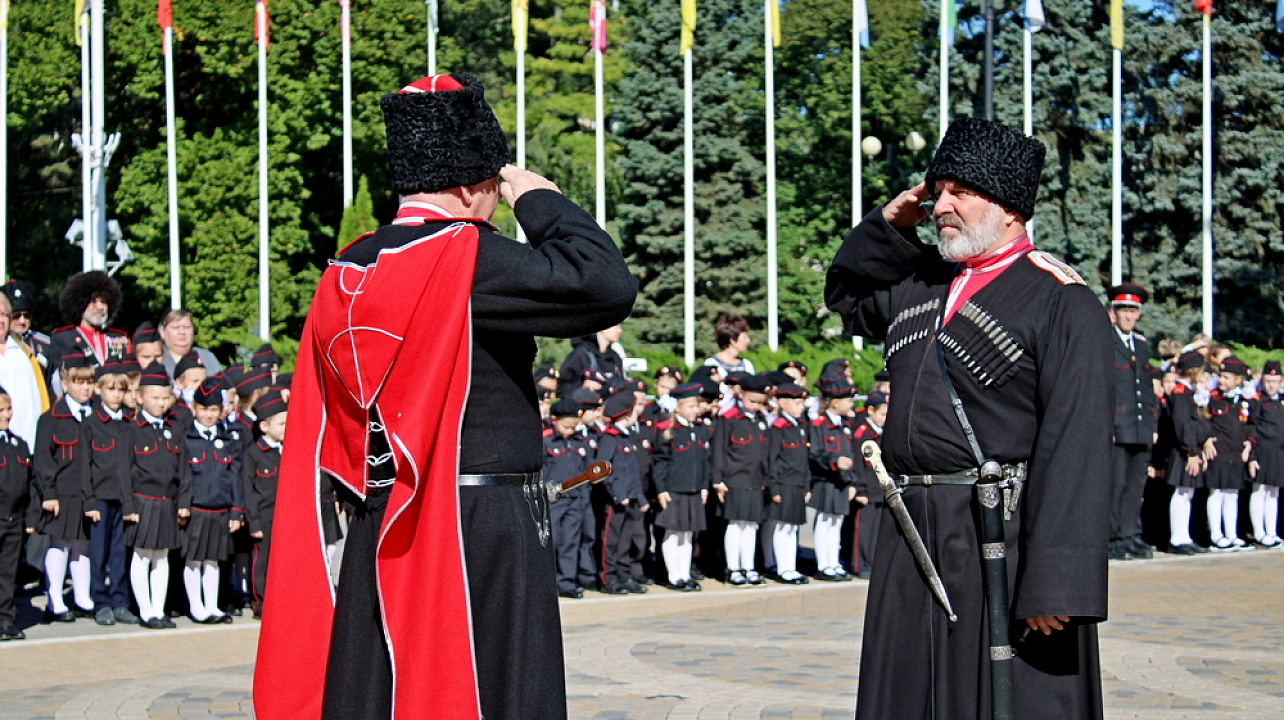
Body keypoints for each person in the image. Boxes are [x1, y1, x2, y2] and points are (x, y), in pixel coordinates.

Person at [254, 74, 636, 720]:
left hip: (379, 515)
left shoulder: (347, 267)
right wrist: (542, 201)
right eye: (492, 184)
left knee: (379, 691)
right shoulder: (465, 256)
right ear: (471, 186)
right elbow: (604, 285)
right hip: (479, 525)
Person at [825, 117, 1113, 718]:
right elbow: (848, 295)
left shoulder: (1060, 297)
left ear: (1008, 206)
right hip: (914, 529)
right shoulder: (922, 281)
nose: (941, 206)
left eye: (961, 192)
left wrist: (1056, 581)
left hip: (1001, 536)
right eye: (938, 192)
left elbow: (1076, 443)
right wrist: (887, 223)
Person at [33, 351, 99, 622]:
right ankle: (55, 599)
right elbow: (43, 459)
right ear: (65, 383)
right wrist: (49, 493)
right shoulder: (52, 418)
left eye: (89, 382)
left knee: (83, 544)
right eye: (78, 382)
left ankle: (82, 597)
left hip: (88, 492)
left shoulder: (95, 414)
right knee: (59, 544)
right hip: (62, 491)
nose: (85, 388)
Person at [125, 366, 192, 630]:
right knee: (142, 556)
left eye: (165, 398)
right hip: (143, 502)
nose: (160, 403)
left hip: (168, 503)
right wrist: (129, 505)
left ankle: (158, 608)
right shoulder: (131, 430)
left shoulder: (174, 428)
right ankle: (145, 611)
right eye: (154, 398)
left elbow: (184, 469)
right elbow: (124, 470)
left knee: (162, 556)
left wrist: (184, 502)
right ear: (140, 397)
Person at [181, 378, 243, 624]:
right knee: (194, 559)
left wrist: (237, 511)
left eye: (214, 410)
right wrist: (183, 505)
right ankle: (196, 606)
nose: (209, 415)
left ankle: (212, 604)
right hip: (196, 508)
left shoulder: (228, 440)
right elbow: (183, 476)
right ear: (194, 408)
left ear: (222, 410)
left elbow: (235, 476)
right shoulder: (187, 438)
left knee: (214, 560)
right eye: (204, 409)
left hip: (221, 509)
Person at [1106, 284, 1159, 560]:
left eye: (1133, 311)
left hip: (1140, 427)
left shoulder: (1140, 344)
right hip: (1118, 426)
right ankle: (1114, 538)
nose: (1128, 316)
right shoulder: (1106, 340)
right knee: (1116, 485)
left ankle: (1129, 535)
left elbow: (1147, 388)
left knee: (1135, 486)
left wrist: (1153, 425)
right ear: (1114, 313)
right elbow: (1104, 387)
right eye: (1124, 310)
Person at [84, 359, 137, 626]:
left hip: (123, 498)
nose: (116, 395)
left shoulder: (128, 423)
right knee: (99, 553)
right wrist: (89, 500)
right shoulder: (91, 424)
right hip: (100, 498)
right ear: (99, 390)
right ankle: (101, 601)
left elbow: (132, 466)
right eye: (111, 389)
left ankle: (119, 600)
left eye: (121, 390)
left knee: (120, 552)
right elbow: (85, 466)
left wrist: (132, 503)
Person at [710, 372, 772, 586]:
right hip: (734, 479)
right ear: (741, 395)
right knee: (736, 525)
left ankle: (749, 566)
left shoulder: (761, 421)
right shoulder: (729, 418)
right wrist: (718, 480)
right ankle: (733, 568)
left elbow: (765, 453)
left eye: (759, 403)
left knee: (751, 525)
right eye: (751, 401)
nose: (755, 406)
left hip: (755, 480)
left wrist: (766, 479)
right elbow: (719, 450)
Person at [651, 382, 710, 592]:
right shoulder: (670, 431)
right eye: (692, 406)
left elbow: (705, 461)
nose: (696, 410)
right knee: (673, 532)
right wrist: (661, 489)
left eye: (697, 406)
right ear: (679, 407)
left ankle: (684, 574)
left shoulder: (700, 430)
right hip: (674, 489)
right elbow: (660, 463)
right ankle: (673, 576)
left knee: (688, 534)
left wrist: (704, 486)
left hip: (693, 489)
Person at [592, 391, 649, 595]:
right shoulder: (610, 438)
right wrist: (617, 495)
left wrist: (639, 497)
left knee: (626, 539)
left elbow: (633, 472)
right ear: (627, 414)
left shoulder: (626, 437)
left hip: (631, 498)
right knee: (611, 540)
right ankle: (608, 577)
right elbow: (602, 469)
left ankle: (624, 575)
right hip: (616, 500)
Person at [808, 375, 859, 582]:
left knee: (836, 523)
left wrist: (852, 480)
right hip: (826, 480)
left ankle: (833, 562)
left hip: (841, 482)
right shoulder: (819, 424)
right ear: (835, 402)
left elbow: (851, 453)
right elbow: (815, 454)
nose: (851, 403)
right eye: (848, 400)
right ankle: (823, 564)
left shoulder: (845, 424)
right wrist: (834, 462)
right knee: (824, 521)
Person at [243, 389, 286, 618]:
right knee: (262, 561)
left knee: (282, 561)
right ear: (264, 427)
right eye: (281, 424)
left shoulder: (288, 451)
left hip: (285, 516)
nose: (286, 428)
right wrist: (254, 521)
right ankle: (260, 602)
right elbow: (248, 490)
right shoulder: (254, 453)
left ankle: (281, 600)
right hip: (264, 516)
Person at [47, 272, 131, 388]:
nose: (100, 307)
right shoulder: (63, 339)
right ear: (79, 303)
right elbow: (56, 382)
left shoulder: (120, 339)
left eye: (103, 302)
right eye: (93, 302)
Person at [1166, 351, 1214, 554]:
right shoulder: (1180, 394)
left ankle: (1184, 536)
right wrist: (1191, 451)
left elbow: (1197, 423)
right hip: (1184, 451)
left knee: (1188, 493)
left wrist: (1203, 441)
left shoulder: (1189, 393)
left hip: (1190, 448)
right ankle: (1177, 539)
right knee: (1182, 492)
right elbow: (1183, 425)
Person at [763, 381, 810, 584]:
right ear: (782, 403)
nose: (802, 407)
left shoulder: (799, 426)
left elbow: (804, 459)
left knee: (792, 528)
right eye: (797, 402)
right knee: (783, 528)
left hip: (798, 483)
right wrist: (774, 487)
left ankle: (791, 567)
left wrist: (807, 485)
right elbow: (772, 459)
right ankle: (783, 569)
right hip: (784, 483)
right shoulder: (778, 427)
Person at [545, 398, 592, 598]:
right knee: (551, 541)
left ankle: (566, 582)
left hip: (576, 498)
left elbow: (587, 471)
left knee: (571, 541)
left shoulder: (580, 443)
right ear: (554, 420)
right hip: (553, 500)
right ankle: (548, 582)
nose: (570, 430)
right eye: (566, 426)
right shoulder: (546, 441)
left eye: (574, 427)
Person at [1205, 356, 1252, 552]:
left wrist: (1249, 443)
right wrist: (1206, 439)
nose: (1221, 381)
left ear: (1238, 380)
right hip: (1219, 453)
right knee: (1216, 493)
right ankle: (1216, 535)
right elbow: (1204, 420)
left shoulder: (1244, 401)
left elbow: (1251, 425)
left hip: (1236, 454)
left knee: (1232, 495)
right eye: (1220, 376)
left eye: (1226, 377)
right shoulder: (1213, 398)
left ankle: (1231, 534)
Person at [0, 389, 32, 640]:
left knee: (8, 573)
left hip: (14, 519)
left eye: (8, 409)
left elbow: (30, 484)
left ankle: (6, 620)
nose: (7, 415)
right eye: (1, 411)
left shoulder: (18, 444)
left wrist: (30, 518)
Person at [0, 293, 48, 448]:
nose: (1, 320)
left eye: (4, 315)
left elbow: (38, 396)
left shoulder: (25, 353)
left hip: (26, 441)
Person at [1247, 361, 1284, 548]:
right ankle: (1259, 533)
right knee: (1259, 490)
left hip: (1278, 452)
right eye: (1268, 380)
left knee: (1273, 492)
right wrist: (1252, 456)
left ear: (1281, 381)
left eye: (1275, 381)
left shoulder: (1281, 401)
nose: (1271, 385)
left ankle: (1271, 531)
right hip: (1262, 450)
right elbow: (1251, 428)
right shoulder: (1258, 401)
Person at [851, 391, 887, 580]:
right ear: (870, 410)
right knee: (863, 530)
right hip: (866, 490)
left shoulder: (881, 432)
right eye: (882, 414)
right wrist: (860, 489)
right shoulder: (862, 433)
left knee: (876, 530)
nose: (884, 418)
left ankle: (872, 561)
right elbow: (857, 463)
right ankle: (861, 564)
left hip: (879, 489)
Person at [558, 325, 624, 396]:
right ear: (603, 329)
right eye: (616, 326)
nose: (620, 330)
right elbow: (560, 386)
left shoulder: (615, 358)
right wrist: (582, 389)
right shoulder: (581, 354)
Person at [158, 310, 223, 379]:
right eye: (176, 327)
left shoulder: (207, 357)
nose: (182, 332)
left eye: (187, 327)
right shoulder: (157, 358)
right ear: (162, 331)